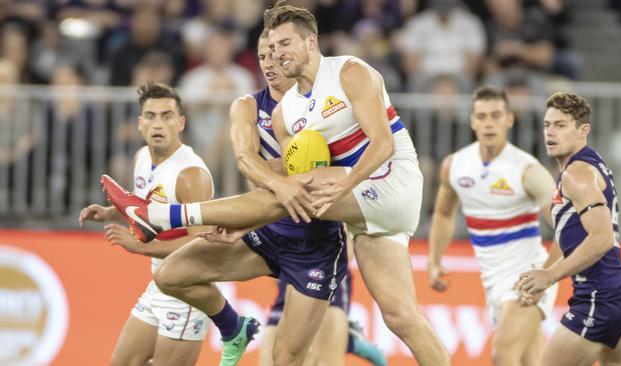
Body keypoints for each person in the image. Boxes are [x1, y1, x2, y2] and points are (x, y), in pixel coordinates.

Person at [101, 4, 450, 365]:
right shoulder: (287, 113)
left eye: (284, 44)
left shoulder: (349, 71)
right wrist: (244, 223)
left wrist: (345, 187)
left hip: (392, 182)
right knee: (401, 318)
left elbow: (382, 143)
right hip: (357, 210)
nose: (276, 55)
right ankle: (232, 322)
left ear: (311, 42)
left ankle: (158, 216)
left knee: (299, 189)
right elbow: (285, 178)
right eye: (269, 49)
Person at [240, 30, 385, 366]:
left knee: (324, 358)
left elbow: (342, 174)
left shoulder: (323, 105)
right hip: (285, 240)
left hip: (325, 239)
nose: (270, 62)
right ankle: (349, 335)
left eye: (276, 53)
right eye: (263, 56)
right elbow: (255, 176)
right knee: (276, 358)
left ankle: (345, 332)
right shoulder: (253, 109)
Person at [79, 83, 215, 366]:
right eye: (151, 116)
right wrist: (109, 212)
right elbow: (145, 210)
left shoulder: (190, 175)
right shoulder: (142, 157)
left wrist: (140, 247)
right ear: (140, 123)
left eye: (167, 116)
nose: (158, 124)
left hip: (189, 290)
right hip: (160, 284)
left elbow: (202, 244)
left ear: (181, 123)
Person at [428, 86, 559, 366]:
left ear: (509, 120)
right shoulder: (455, 165)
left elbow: (567, 227)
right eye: (482, 116)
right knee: (530, 361)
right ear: (473, 121)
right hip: (492, 279)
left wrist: (547, 274)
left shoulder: (527, 170)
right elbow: (442, 213)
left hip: (527, 275)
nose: (489, 123)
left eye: (496, 115)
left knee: (503, 354)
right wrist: (434, 260)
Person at [517, 92, 621, 366]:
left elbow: (602, 239)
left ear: (583, 130)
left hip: (598, 298)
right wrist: (543, 278)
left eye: (560, 125)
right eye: (547, 125)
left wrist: (550, 276)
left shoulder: (577, 174)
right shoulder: (584, 166)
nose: (550, 133)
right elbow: (569, 237)